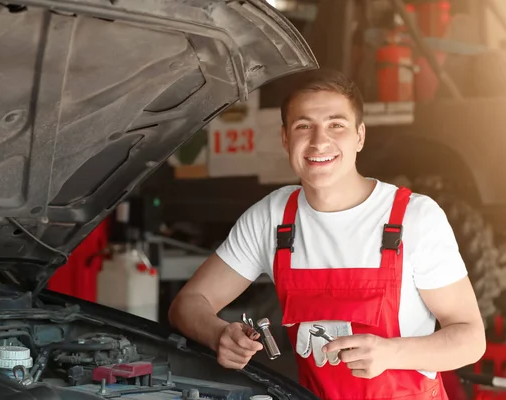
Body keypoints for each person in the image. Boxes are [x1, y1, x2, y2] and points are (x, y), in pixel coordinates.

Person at [167, 68, 486, 399]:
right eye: (304, 126)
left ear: (360, 136)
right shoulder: (273, 218)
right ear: (285, 138)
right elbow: (188, 304)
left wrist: (392, 353)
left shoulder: (414, 218)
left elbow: (470, 339)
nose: (319, 141)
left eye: (337, 125)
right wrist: (219, 334)